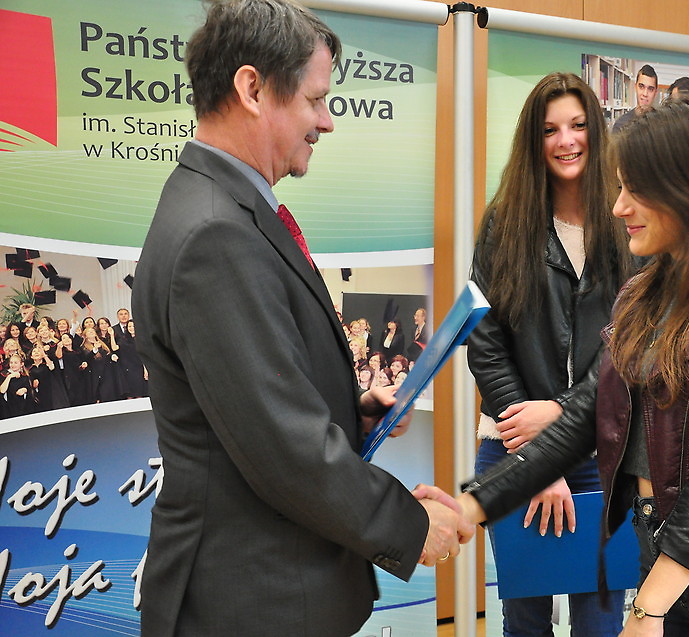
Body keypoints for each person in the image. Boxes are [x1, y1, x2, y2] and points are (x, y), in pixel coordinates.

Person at [131, 2, 469, 635]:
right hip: (251, 602)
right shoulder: (215, 235)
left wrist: (352, 408)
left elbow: (253, 401)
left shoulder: (225, 210)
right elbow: (284, 448)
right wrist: (409, 524)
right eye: (316, 99)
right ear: (253, 89)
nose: (327, 121)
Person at [452, 96, 689, 637]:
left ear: (688, 189)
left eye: (634, 190)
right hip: (664, 560)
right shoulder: (645, 292)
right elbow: (586, 415)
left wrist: (648, 608)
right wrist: (470, 506)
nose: (618, 207)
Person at [467, 71, 636, 637]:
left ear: (596, 132)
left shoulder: (628, 224)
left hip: (603, 452)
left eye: (578, 125)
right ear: (533, 141)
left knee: (600, 625)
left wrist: (562, 416)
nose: (566, 141)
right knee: (525, 626)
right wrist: (536, 457)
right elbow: (486, 343)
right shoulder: (505, 223)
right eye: (550, 129)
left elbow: (631, 344)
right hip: (512, 445)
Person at [613, 64, 658, 132]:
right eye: (641, 87)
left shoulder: (663, 124)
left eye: (650, 89)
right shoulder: (621, 124)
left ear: (655, 92)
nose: (645, 94)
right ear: (635, 87)